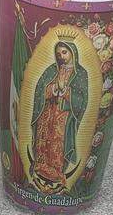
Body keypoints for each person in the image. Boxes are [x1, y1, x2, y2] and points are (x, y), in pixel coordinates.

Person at [28, 39, 88, 193]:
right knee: (44, 139)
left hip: (64, 117)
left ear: (72, 53)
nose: (61, 56)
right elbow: (40, 89)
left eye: (64, 52)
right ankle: (40, 168)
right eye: (58, 53)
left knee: (58, 144)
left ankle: (56, 174)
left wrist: (67, 92)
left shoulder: (80, 74)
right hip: (47, 114)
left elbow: (82, 99)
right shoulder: (51, 70)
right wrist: (52, 89)